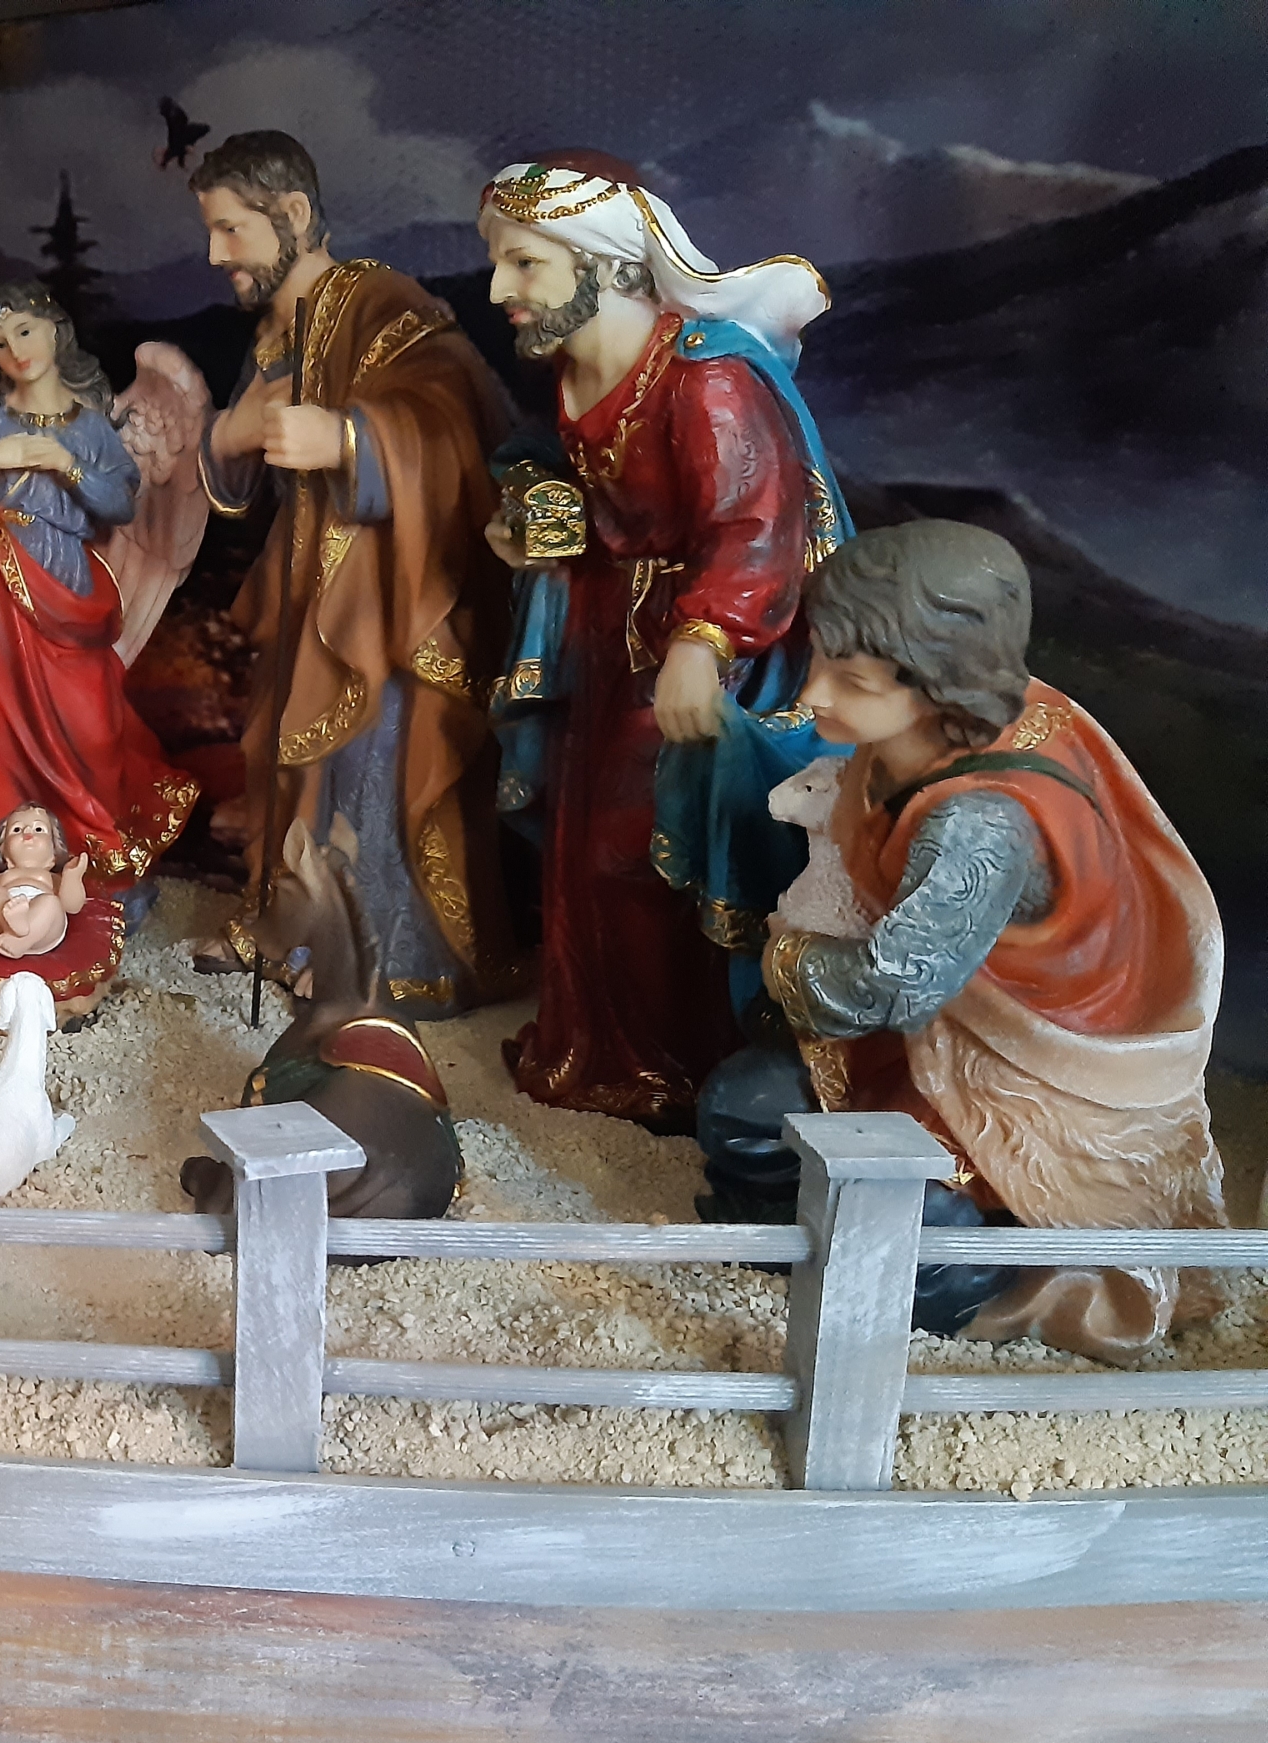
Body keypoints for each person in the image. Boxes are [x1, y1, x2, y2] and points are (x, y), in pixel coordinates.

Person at [706, 521, 1227, 1365]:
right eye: (819, 661)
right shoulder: (923, 734)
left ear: (941, 682)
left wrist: (786, 960)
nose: (813, 695)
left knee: (888, 1208)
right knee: (743, 1107)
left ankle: (986, 1282)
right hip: (932, 1038)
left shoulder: (978, 825)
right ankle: (814, 1234)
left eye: (850, 679)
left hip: (1017, 1074)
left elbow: (892, 984)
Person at [478, 153, 852, 1127]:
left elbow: (754, 525)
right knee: (583, 854)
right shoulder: (577, 368)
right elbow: (553, 468)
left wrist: (702, 641)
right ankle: (604, 1054)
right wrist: (539, 514)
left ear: (606, 265)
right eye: (501, 262)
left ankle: (685, 1063)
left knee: (641, 855)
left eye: (524, 263)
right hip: (611, 644)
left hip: (712, 665)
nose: (499, 289)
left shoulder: (706, 380)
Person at [188, 130, 521, 1013]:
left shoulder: (379, 300)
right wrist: (231, 436)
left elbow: (454, 417)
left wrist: (346, 439)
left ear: (294, 214)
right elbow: (240, 470)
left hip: (386, 604)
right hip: (304, 593)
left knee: (370, 771)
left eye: (230, 230)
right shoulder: (275, 333)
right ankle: (292, 927)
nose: (215, 255)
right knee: (289, 762)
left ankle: (381, 956)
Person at [0, 281, 196, 891]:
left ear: (54, 330)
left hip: (66, 582)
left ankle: (85, 849)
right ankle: (7, 853)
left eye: (24, 330)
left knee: (91, 725)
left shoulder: (90, 428)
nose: (16, 351)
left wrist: (66, 465)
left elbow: (120, 504)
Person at [0, 806, 90, 959]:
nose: (27, 832)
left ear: (54, 851)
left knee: (51, 903)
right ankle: (11, 925)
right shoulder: (1, 878)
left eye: (39, 829)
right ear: (4, 851)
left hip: (43, 931)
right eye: (16, 829)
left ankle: (22, 938)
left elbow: (72, 906)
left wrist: (72, 877)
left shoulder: (52, 878)